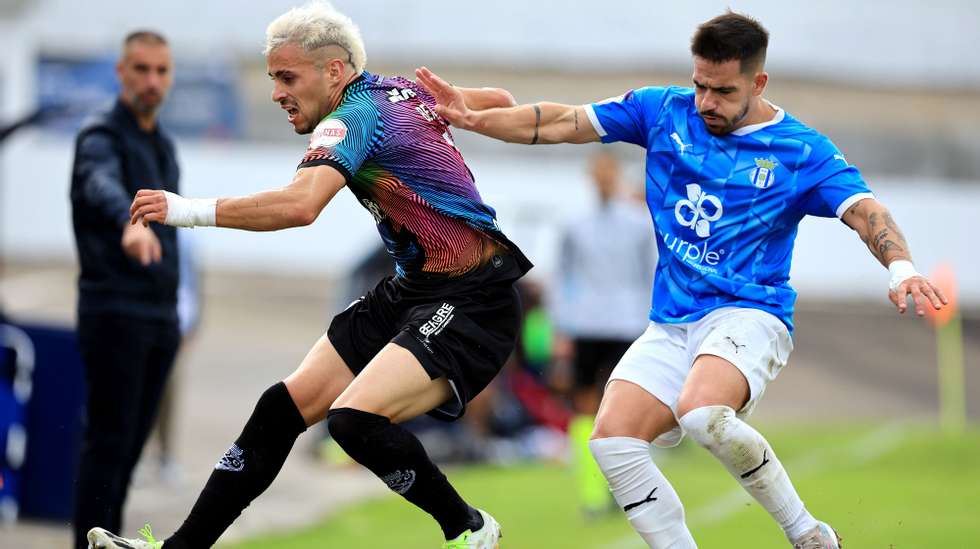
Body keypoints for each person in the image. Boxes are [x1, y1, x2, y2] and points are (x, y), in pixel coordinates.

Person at [415, 11, 947, 548]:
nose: (706, 101)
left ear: (758, 83)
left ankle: (808, 535)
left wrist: (901, 267)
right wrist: (476, 121)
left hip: (749, 313)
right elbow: (563, 121)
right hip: (672, 322)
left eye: (722, 90)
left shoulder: (800, 151)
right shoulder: (662, 110)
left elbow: (865, 211)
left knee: (702, 414)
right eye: (700, 85)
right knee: (611, 441)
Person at [87, 3, 530, 549]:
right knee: (282, 409)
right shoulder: (400, 90)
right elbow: (501, 102)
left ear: (335, 72)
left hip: (474, 296)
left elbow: (299, 207)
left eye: (287, 77)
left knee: (352, 421)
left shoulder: (353, 116)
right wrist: (465, 111)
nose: (277, 92)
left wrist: (185, 210)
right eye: (274, 77)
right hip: (416, 289)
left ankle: (469, 528)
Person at [69, 30, 181, 549]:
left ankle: (108, 542)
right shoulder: (101, 135)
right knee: (108, 448)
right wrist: (127, 222)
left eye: (161, 71)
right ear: (121, 71)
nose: (151, 81)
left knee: (129, 453)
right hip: (115, 312)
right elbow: (100, 182)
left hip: (160, 318)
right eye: (141, 69)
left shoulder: (162, 144)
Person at [551, 151, 655, 518]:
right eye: (597, 174)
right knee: (583, 407)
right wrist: (560, 326)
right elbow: (561, 276)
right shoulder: (574, 223)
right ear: (590, 177)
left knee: (624, 409)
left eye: (608, 173)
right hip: (587, 325)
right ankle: (593, 492)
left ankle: (626, 487)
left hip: (628, 324)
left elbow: (650, 275)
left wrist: (654, 325)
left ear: (617, 176)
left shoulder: (640, 222)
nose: (603, 180)